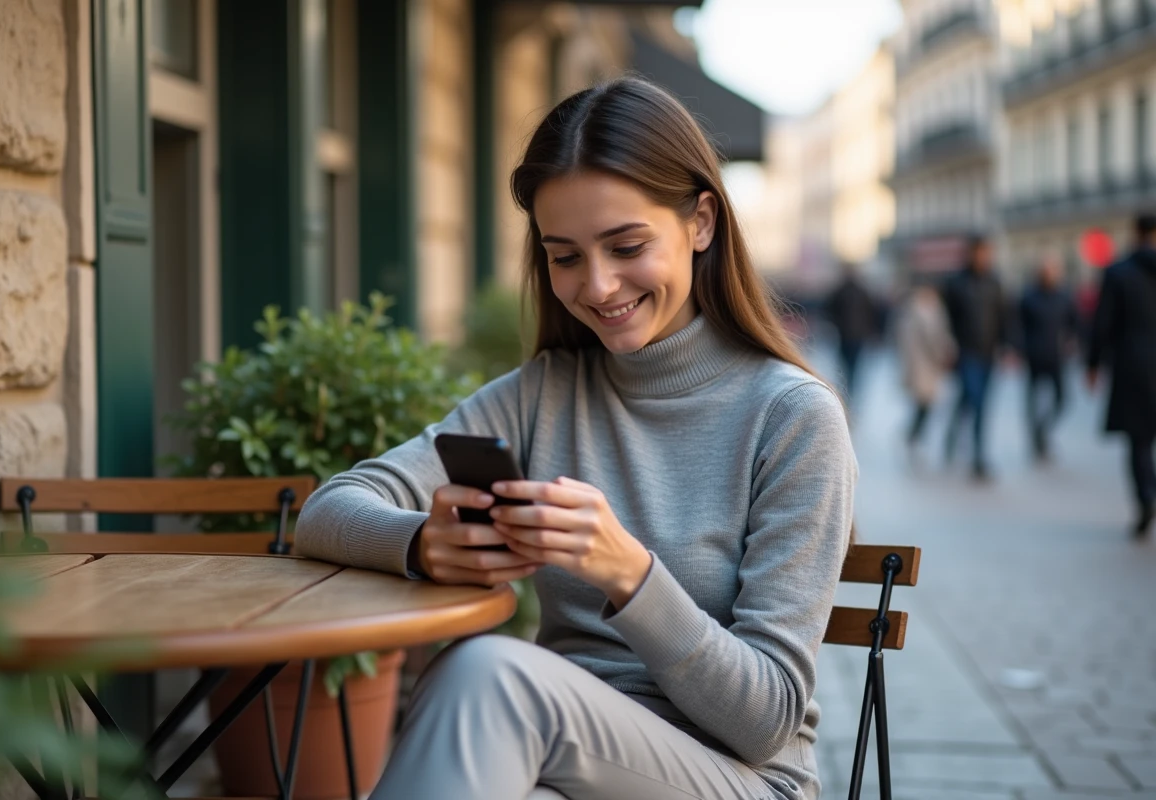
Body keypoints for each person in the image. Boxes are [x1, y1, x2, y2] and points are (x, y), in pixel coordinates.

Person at [294, 78, 856, 800]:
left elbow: (765, 720)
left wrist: (629, 573)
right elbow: (329, 509)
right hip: (563, 762)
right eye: (564, 256)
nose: (597, 286)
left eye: (626, 246)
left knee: (488, 674)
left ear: (702, 222)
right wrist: (420, 543)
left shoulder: (792, 417)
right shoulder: (545, 392)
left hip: (736, 777)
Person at [1088, 212, 1156, 537]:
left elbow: (1102, 324)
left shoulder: (1118, 273)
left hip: (1132, 366)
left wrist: (1092, 364)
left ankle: (1146, 496)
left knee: (1139, 441)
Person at [943, 236, 1011, 481]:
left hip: (988, 353)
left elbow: (1004, 316)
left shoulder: (995, 282)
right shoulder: (956, 283)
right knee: (976, 401)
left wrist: (1008, 347)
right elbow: (946, 320)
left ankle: (963, 443)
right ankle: (978, 457)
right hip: (966, 354)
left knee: (974, 403)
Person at [1018, 252, 1080, 461]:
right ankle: (1036, 438)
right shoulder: (1028, 297)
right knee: (1033, 402)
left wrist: (1072, 342)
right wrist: (1019, 350)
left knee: (1062, 400)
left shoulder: (1064, 296)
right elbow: (1018, 326)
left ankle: (1042, 430)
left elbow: (1074, 322)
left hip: (1057, 356)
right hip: (1034, 356)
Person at [896, 279, 956, 450]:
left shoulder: (913, 309)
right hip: (923, 365)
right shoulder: (923, 310)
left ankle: (913, 435)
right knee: (925, 403)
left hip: (922, 365)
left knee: (925, 403)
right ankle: (913, 435)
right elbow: (934, 339)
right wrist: (945, 353)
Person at [825, 262, 879, 401]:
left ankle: (848, 389)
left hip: (846, 335)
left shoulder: (840, 291)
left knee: (846, 364)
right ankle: (851, 389)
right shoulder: (862, 291)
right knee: (853, 365)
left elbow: (830, 311)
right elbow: (871, 313)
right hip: (856, 335)